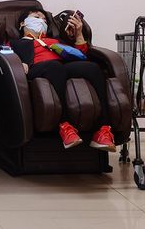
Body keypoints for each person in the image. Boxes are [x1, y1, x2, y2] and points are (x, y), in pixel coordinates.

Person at [11, 9, 116, 152]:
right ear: (22, 23)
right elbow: (5, 55)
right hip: (35, 68)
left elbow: (81, 56)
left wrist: (79, 35)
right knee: (55, 67)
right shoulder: (15, 43)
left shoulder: (56, 41)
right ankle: (64, 126)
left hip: (62, 66)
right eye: (36, 17)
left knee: (93, 68)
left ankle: (103, 129)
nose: (41, 21)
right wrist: (17, 63)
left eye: (45, 20)